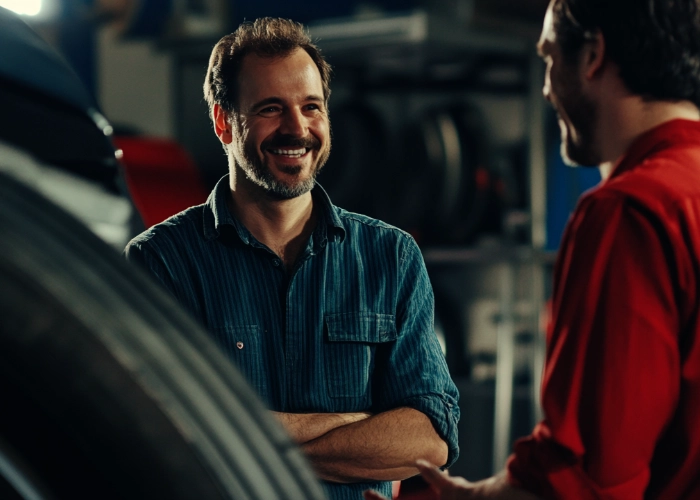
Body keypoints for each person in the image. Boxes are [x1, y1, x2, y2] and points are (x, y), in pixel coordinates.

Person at [367, 0, 700, 498]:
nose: (545, 88)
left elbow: (592, 475)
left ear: (593, 54)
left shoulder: (630, 211)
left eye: (549, 59)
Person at [124, 17, 460, 500]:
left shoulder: (391, 257)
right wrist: (358, 428)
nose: (297, 128)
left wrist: (255, 444)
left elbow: (431, 440)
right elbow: (157, 431)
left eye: (311, 107)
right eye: (270, 109)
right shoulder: (163, 264)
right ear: (224, 122)